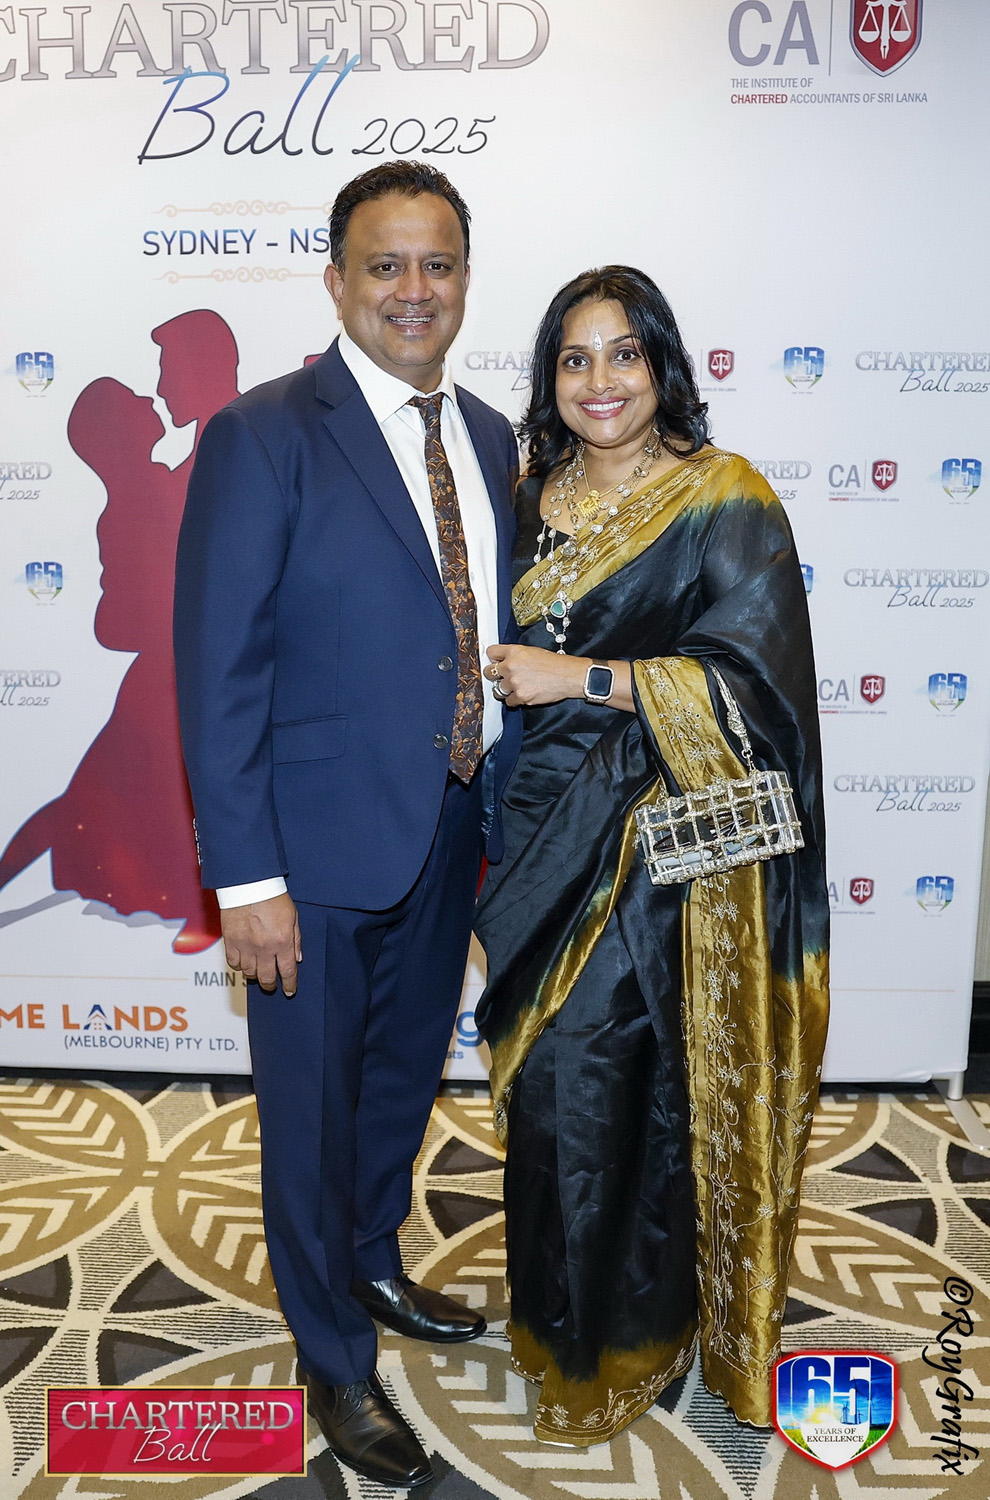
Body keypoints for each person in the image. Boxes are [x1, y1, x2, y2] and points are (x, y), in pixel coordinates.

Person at [173, 161, 521, 1490]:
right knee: (309, 1114)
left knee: (396, 1083)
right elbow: (219, 671)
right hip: (308, 855)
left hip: (448, 828)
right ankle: (331, 1354)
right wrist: (244, 879)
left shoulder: (490, 434)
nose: (413, 290)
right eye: (386, 265)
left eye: (437, 264)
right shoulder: (262, 433)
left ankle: (372, 1263)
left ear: (464, 279)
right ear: (336, 280)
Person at [475, 266, 829, 1446]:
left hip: (661, 844)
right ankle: (558, 1323)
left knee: (623, 1082)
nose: (600, 382)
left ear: (662, 364)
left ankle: (619, 1338)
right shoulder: (527, 496)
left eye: (623, 354)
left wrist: (581, 678)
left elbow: (760, 691)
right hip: (535, 829)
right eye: (574, 360)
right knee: (543, 1098)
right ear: (549, 380)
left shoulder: (725, 497)